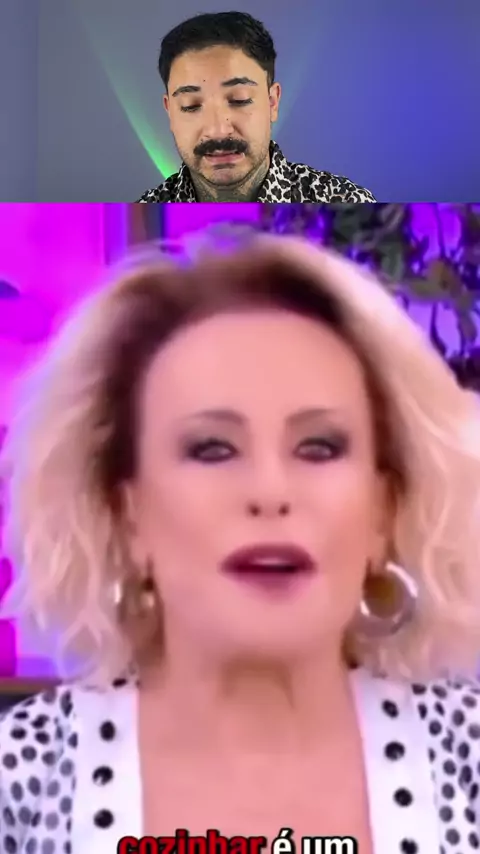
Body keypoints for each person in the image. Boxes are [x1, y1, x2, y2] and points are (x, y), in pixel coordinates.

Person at [1, 229, 480, 854]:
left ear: (382, 512)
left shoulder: (467, 758)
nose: (270, 492)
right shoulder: (24, 781)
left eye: (319, 447)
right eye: (212, 449)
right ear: (129, 514)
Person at [137, 12, 376, 204]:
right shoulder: (141, 221)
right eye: (191, 106)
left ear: (272, 102)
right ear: (170, 112)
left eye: (239, 100)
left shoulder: (346, 204)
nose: (218, 130)